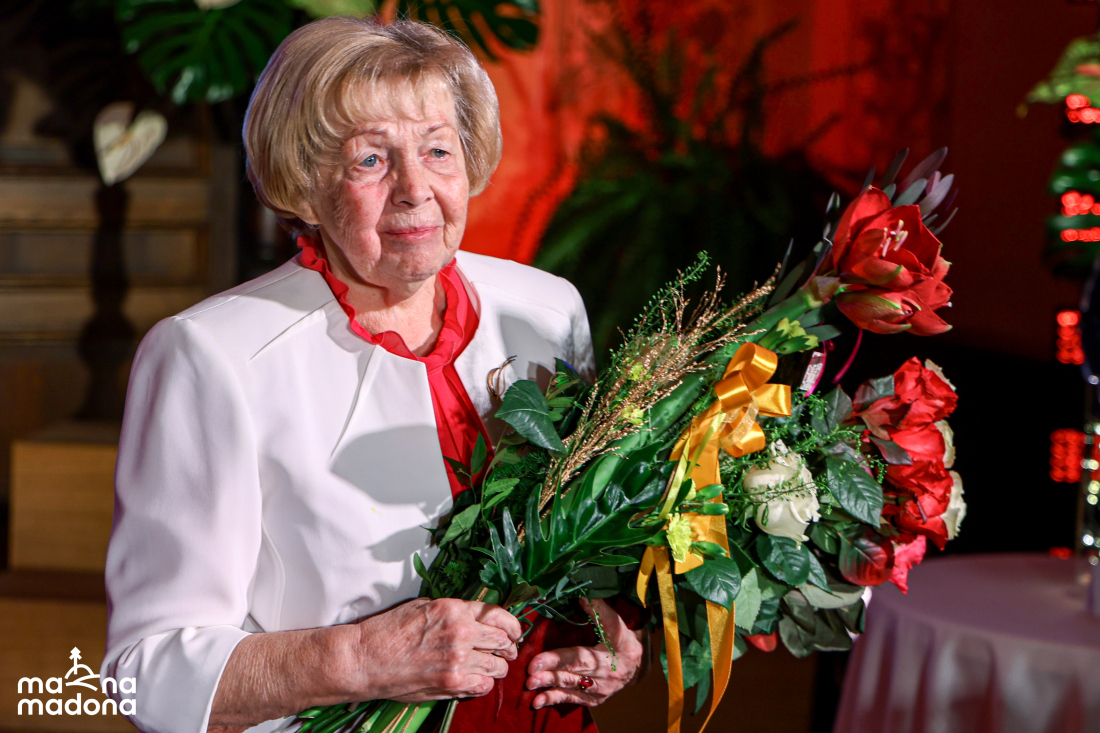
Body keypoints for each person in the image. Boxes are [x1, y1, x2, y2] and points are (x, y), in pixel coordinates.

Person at [100, 17, 648, 733]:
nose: (415, 189)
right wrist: (357, 658)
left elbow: (585, 544)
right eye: (370, 160)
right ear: (306, 182)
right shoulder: (211, 355)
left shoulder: (547, 310)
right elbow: (145, 672)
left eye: (438, 150)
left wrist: (606, 628)